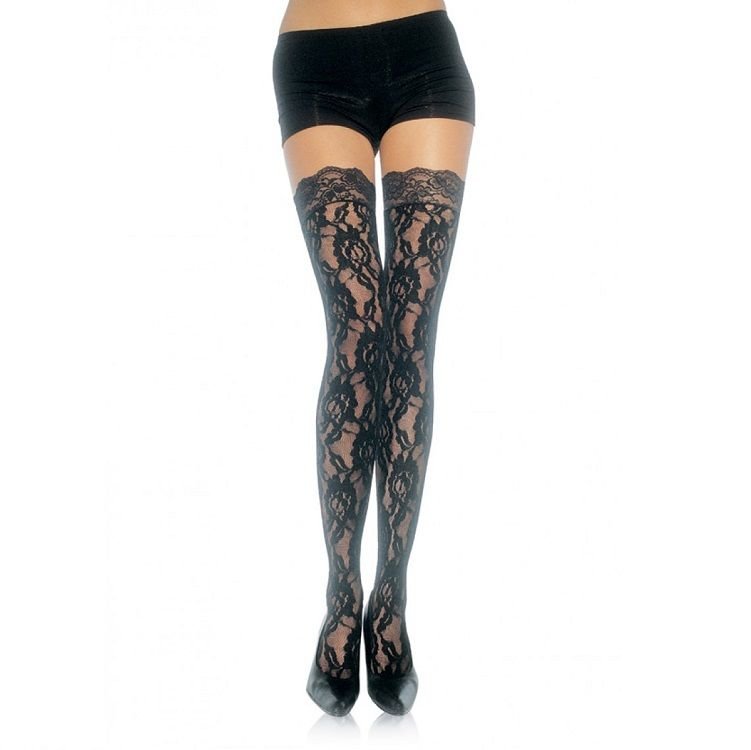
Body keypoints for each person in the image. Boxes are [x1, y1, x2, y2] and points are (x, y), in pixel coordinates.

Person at [272, 0, 475, 716]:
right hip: (317, 57)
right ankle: (342, 593)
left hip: (423, 52)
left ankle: (390, 597)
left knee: (410, 332)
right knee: (358, 325)